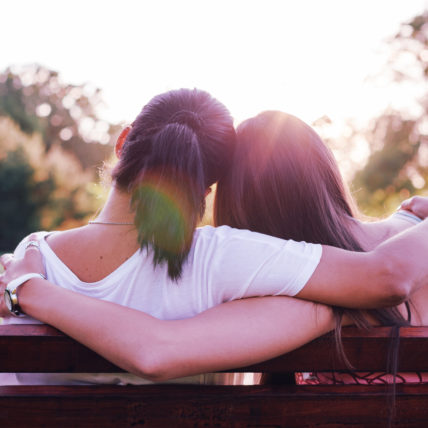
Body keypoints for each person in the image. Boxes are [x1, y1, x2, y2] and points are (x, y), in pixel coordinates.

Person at [1, 97, 428, 383]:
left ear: (124, 141)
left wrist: (27, 289)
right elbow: (383, 275)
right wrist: (404, 221)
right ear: (204, 191)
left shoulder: (30, 257)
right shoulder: (222, 256)